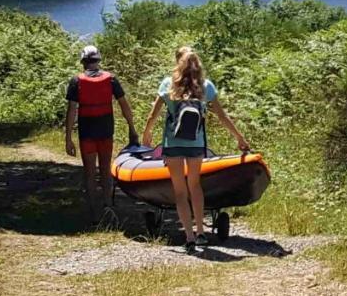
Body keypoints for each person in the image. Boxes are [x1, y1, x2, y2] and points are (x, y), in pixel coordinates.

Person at [141, 46, 249, 251]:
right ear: (198, 65)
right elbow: (222, 116)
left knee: (180, 191)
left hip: (173, 144)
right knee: (195, 186)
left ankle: (188, 237)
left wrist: (147, 134)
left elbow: (152, 115)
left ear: (177, 63)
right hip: (196, 144)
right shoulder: (206, 86)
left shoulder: (168, 84)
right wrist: (239, 138)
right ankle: (201, 233)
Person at [64, 45, 138, 224]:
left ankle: (93, 213)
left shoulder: (76, 81)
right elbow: (124, 105)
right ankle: (108, 207)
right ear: (98, 60)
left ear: (83, 62)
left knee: (89, 173)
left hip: (87, 133)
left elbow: (72, 110)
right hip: (106, 131)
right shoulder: (111, 79)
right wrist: (131, 127)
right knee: (105, 170)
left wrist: (68, 138)